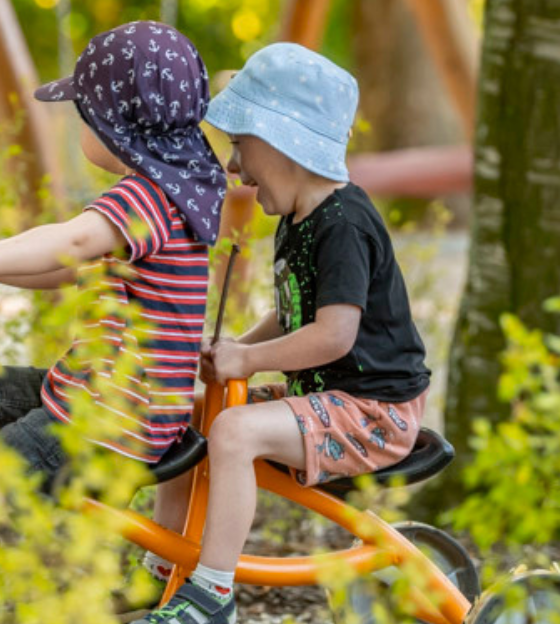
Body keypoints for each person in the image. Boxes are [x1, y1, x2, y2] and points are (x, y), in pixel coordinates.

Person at [136, 43, 431, 624]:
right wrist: (237, 349)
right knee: (190, 414)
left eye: (241, 146)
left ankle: (213, 593)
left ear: (282, 140)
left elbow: (333, 336)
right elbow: (296, 313)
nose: (233, 167)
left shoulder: (343, 224)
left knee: (235, 432)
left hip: (374, 411)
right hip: (329, 400)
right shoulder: (299, 218)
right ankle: (164, 568)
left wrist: (249, 363)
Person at [0, 21, 226, 493]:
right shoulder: (159, 195)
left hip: (118, 417)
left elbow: (69, 243)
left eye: (84, 113)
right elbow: (63, 267)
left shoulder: (148, 198)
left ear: (114, 121)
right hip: (91, 390)